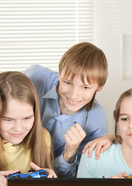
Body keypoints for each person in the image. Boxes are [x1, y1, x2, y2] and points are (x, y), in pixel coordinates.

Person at [23, 42, 108, 178]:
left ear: (99, 86)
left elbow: (77, 179)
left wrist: (69, 154)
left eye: (85, 87)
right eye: (67, 82)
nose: (74, 96)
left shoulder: (96, 122)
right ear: (59, 74)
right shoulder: (34, 78)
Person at [0, 71, 56, 186]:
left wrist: (50, 184)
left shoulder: (43, 137)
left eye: (27, 118)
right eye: (8, 119)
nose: (19, 128)